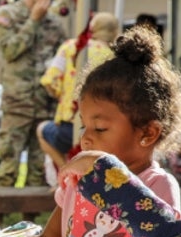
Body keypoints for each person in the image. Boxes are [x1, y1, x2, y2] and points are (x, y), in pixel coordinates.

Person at [0, 26, 181, 237]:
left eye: (100, 128)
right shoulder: (82, 181)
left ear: (147, 133)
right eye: (84, 125)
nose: (85, 138)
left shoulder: (156, 186)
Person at [0, 0, 67, 189]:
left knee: (38, 172)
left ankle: (31, 223)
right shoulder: (9, 14)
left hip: (44, 106)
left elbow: (63, 64)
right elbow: (9, 50)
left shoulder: (55, 23)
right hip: (17, 104)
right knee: (8, 168)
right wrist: (33, 22)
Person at [36, 11, 120, 174]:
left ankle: (65, 172)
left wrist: (62, 96)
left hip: (70, 126)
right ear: (115, 32)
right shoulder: (116, 57)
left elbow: (49, 80)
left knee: (42, 130)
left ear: (92, 28)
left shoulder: (70, 47)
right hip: (104, 130)